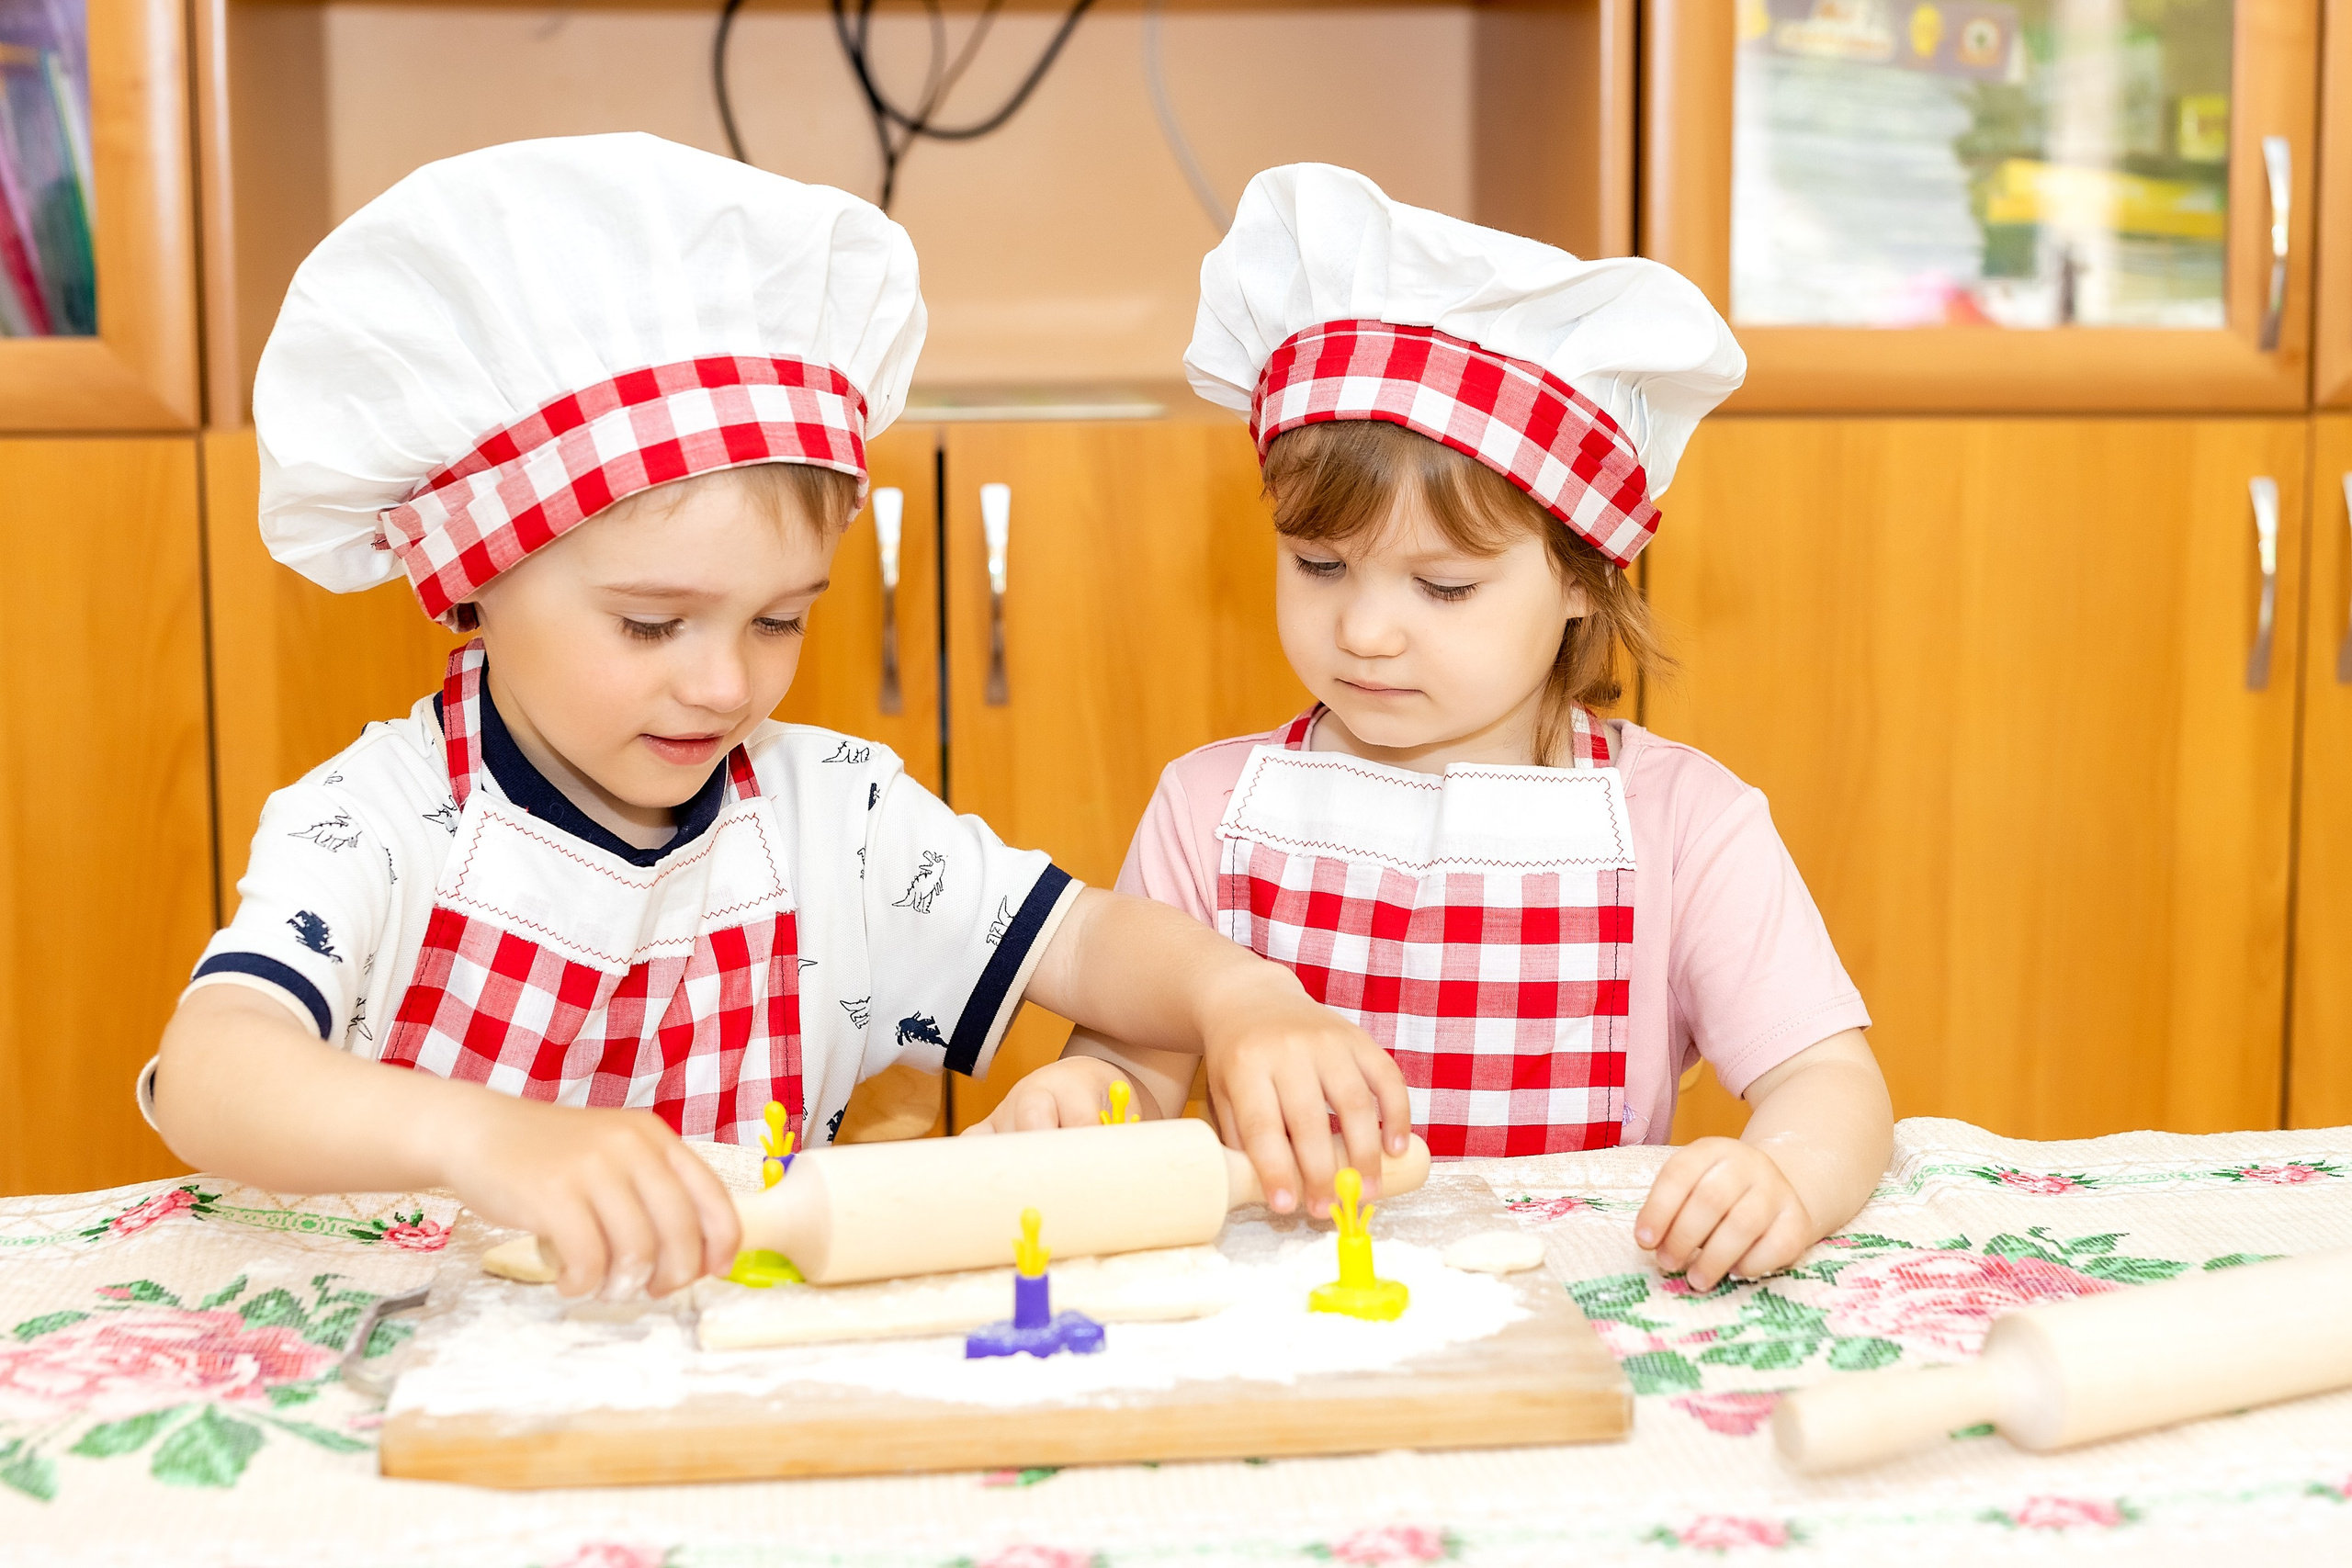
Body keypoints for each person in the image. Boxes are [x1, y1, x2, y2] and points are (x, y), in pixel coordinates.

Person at [147, 136, 1408, 1302]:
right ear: (475, 580)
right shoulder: (376, 821)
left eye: (779, 619)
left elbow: (1083, 939)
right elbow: (211, 1069)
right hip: (433, 1372)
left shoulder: (834, 821)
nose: (724, 685)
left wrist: (1244, 998)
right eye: (653, 624)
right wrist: (480, 1137)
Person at [982, 164, 1893, 1292]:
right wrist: (1085, 1101)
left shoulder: (1684, 823)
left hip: (1575, 1309)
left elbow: (1827, 1082)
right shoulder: (1210, 809)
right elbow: (1134, 1066)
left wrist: (1784, 1175)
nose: (1364, 631)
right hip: (1297, 1311)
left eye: (1444, 586)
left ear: (1582, 579)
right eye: (1319, 566)